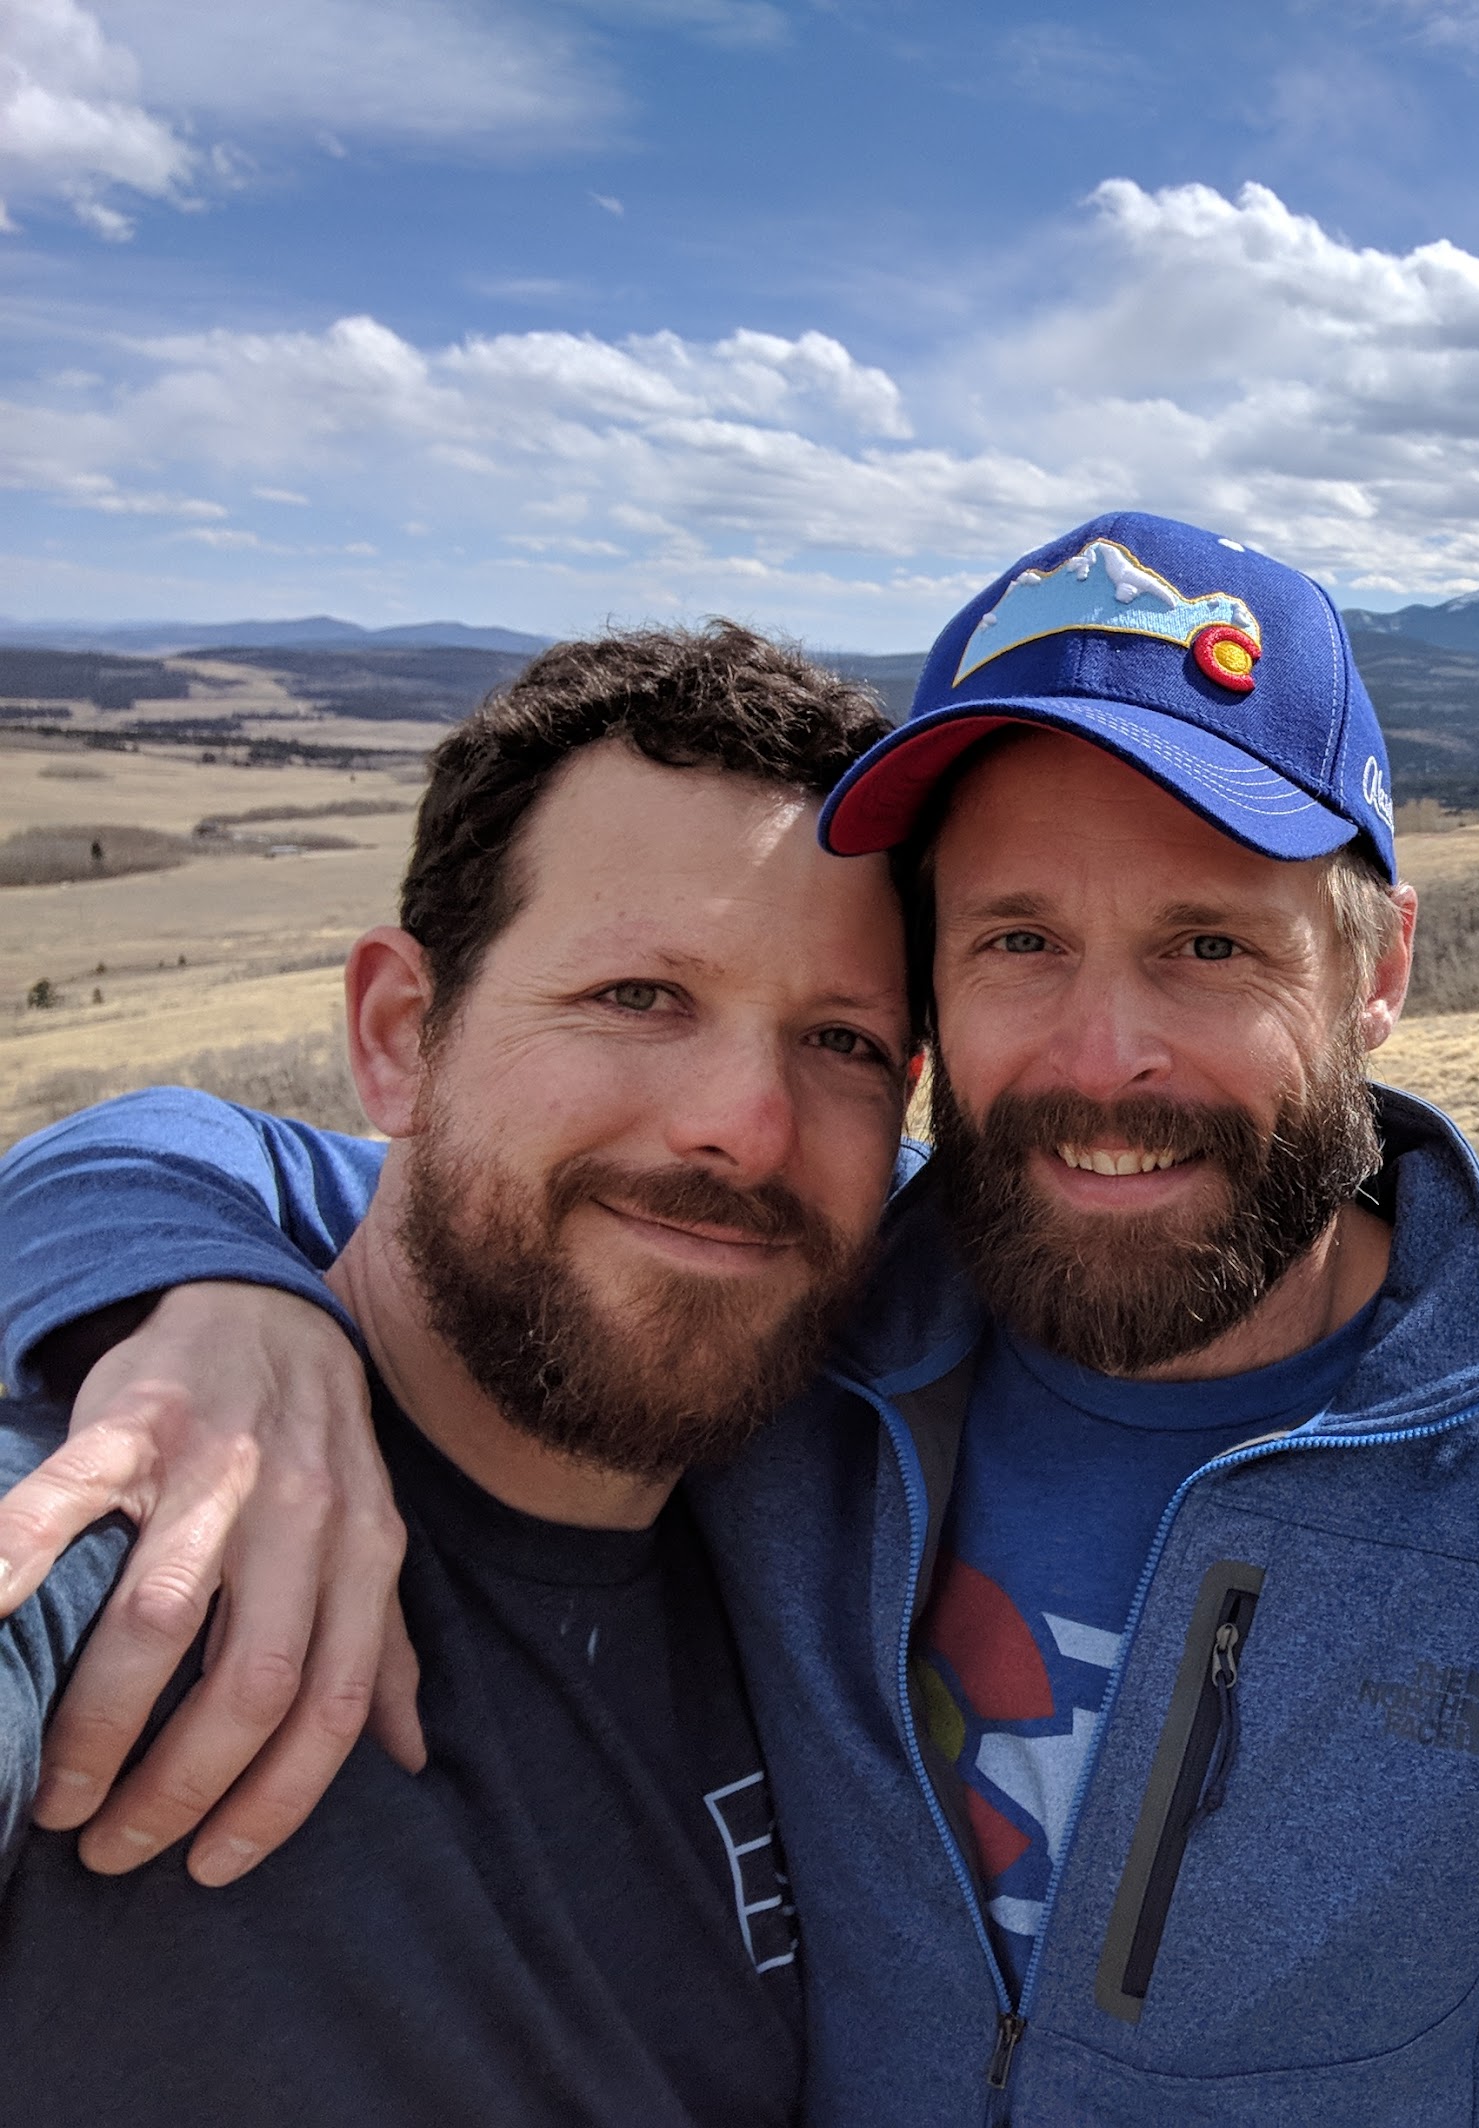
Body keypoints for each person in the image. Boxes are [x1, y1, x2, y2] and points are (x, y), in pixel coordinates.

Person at [0, 513, 1479, 2124]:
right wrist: (205, 1297)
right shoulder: (804, 1299)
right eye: (1017, 941)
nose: (1105, 1056)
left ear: (1378, 972)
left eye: (1209, 945)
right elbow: (257, 1159)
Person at [0, 622, 917, 2122]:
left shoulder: (853, 1499)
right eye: (638, 996)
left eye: (842, 1040)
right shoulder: (120, 1513)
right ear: (400, 1038)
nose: (747, 1129)